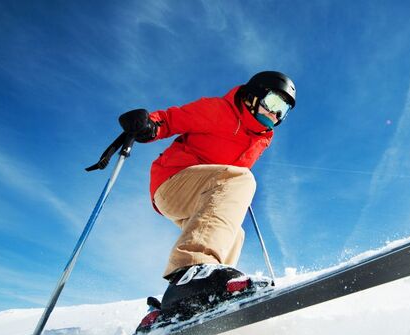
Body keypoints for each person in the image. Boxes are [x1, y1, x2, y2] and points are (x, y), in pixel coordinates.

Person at [118, 71, 296, 320]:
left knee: (235, 233)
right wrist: (150, 124)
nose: (275, 114)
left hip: (204, 192)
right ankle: (190, 273)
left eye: (283, 111)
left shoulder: (262, 138)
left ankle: (192, 318)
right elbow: (171, 119)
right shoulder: (219, 109)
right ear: (255, 95)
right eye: (274, 103)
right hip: (173, 181)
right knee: (240, 179)